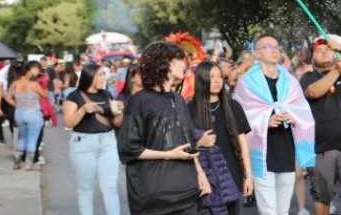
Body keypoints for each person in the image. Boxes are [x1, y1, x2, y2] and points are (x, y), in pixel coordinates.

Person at [117, 42, 210, 215]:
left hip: (187, 191)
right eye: (179, 60)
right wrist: (169, 155)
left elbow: (188, 142)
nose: (185, 64)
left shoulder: (179, 99)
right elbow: (128, 149)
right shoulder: (139, 101)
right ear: (164, 64)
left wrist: (199, 171)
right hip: (154, 196)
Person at [236, 35, 316, 215]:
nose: (274, 50)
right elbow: (239, 117)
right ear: (256, 53)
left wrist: (293, 116)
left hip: (286, 149)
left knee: (283, 210)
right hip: (261, 153)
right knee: (269, 210)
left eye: (276, 46)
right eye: (268, 46)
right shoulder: (247, 82)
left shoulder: (289, 80)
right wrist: (266, 121)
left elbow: (302, 109)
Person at [300, 38, 341, 215]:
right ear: (311, 57)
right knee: (321, 197)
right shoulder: (308, 77)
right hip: (320, 148)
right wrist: (336, 71)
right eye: (318, 49)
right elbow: (314, 92)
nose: (324, 51)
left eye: (327, 49)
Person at [189, 61, 254, 215]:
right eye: (211, 76)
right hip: (205, 180)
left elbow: (243, 144)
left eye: (220, 76)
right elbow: (184, 145)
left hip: (232, 177)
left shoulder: (233, 106)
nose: (218, 80)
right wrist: (198, 143)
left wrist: (248, 176)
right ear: (201, 79)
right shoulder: (189, 110)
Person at [62, 63, 123, 215]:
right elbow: (69, 123)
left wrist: (119, 111)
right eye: (100, 75)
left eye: (104, 74)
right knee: (85, 190)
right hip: (83, 144)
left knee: (110, 188)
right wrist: (83, 109)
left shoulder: (106, 94)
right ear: (90, 76)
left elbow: (116, 122)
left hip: (108, 142)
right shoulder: (74, 96)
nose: (103, 78)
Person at [5, 61, 47, 170]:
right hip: (33, 113)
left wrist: (17, 104)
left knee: (22, 138)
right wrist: (46, 82)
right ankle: (29, 163)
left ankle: (17, 163)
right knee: (32, 138)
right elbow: (45, 95)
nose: (37, 71)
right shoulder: (34, 85)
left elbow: (8, 97)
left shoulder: (15, 83)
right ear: (29, 70)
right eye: (35, 69)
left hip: (19, 113)